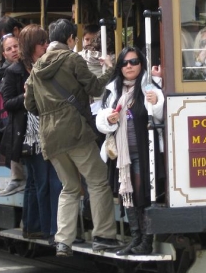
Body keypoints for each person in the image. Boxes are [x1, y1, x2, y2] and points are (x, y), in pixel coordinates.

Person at [24, 19, 118, 257]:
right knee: (97, 181)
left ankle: (63, 241)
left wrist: (50, 113)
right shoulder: (72, 59)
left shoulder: (36, 68)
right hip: (75, 131)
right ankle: (104, 236)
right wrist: (110, 68)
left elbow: (30, 104)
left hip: (49, 137)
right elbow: (95, 89)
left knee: (69, 187)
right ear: (69, 39)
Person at [96, 47, 164, 255]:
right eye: (125, 63)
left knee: (144, 194)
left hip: (146, 153)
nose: (129, 66)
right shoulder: (113, 90)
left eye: (133, 62)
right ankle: (136, 238)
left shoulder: (150, 87)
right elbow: (101, 119)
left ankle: (146, 241)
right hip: (123, 156)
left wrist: (157, 103)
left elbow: (161, 117)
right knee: (129, 195)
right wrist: (108, 118)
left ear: (141, 64)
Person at [14, 24, 61, 241]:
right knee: (41, 183)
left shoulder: (46, 64)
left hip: (49, 129)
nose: (45, 46)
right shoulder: (15, 70)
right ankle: (42, 226)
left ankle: (41, 226)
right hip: (31, 135)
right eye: (42, 42)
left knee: (45, 182)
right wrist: (27, 96)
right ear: (32, 45)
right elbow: (7, 103)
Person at [0, 34, 26, 196]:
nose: (14, 50)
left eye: (16, 46)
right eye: (9, 49)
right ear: (4, 54)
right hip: (15, 121)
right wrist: (25, 97)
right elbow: (7, 102)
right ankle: (17, 178)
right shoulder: (7, 73)